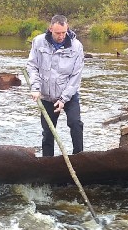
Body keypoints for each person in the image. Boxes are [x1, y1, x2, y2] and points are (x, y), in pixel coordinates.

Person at [26, 15, 85, 157]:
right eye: (58, 33)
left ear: (67, 28)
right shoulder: (38, 42)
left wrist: (64, 99)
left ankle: (79, 157)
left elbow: (76, 76)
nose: (61, 36)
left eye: (64, 32)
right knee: (48, 132)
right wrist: (35, 88)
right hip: (46, 96)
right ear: (50, 28)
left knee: (75, 123)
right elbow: (32, 66)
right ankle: (47, 162)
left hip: (68, 95)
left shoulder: (76, 47)